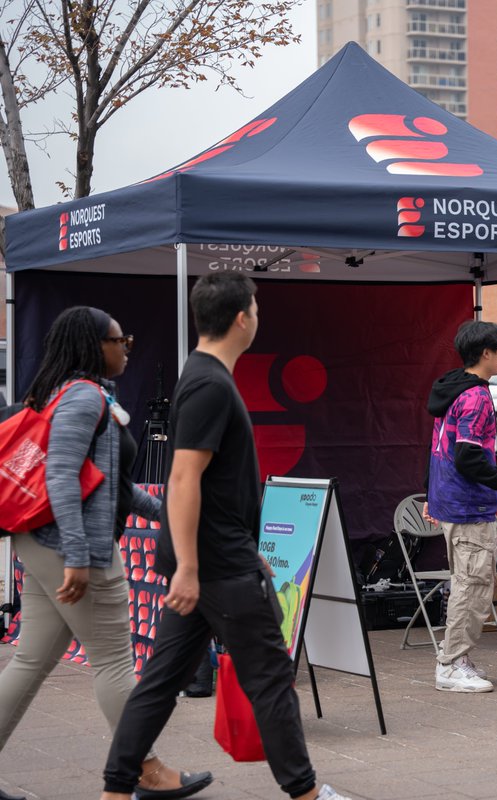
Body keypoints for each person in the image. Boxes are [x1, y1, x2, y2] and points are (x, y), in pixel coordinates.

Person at [100, 274, 350, 800]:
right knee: (271, 678)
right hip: (217, 566)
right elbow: (185, 477)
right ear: (243, 318)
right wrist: (189, 567)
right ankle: (305, 793)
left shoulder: (204, 375)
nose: (257, 315)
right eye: (255, 307)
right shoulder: (210, 384)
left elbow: (203, 483)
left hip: (211, 560)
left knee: (162, 681)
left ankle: (115, 790)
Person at [0, 307, 209, 800]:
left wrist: (167, 513)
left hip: (45, 542)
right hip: (74, 549)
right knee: (115, 662)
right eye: (122, 341)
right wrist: (78, 555)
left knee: (30, 660)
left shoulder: (73, 395)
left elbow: (113, 488)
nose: (126, 350)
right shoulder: (84, 398)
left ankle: (140, 766)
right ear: (96, 347)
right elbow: (61, 479)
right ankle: (145, 769)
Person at [424, 321, 497, 692]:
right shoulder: (475, 396)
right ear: (486, 353)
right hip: (469, 506)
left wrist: (432, 494)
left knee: (465, 583)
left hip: (452, 502)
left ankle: (456, 656)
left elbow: (443, 450)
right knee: (472, 586)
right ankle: (452, 664)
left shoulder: (453, 388)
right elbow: (469, 459)